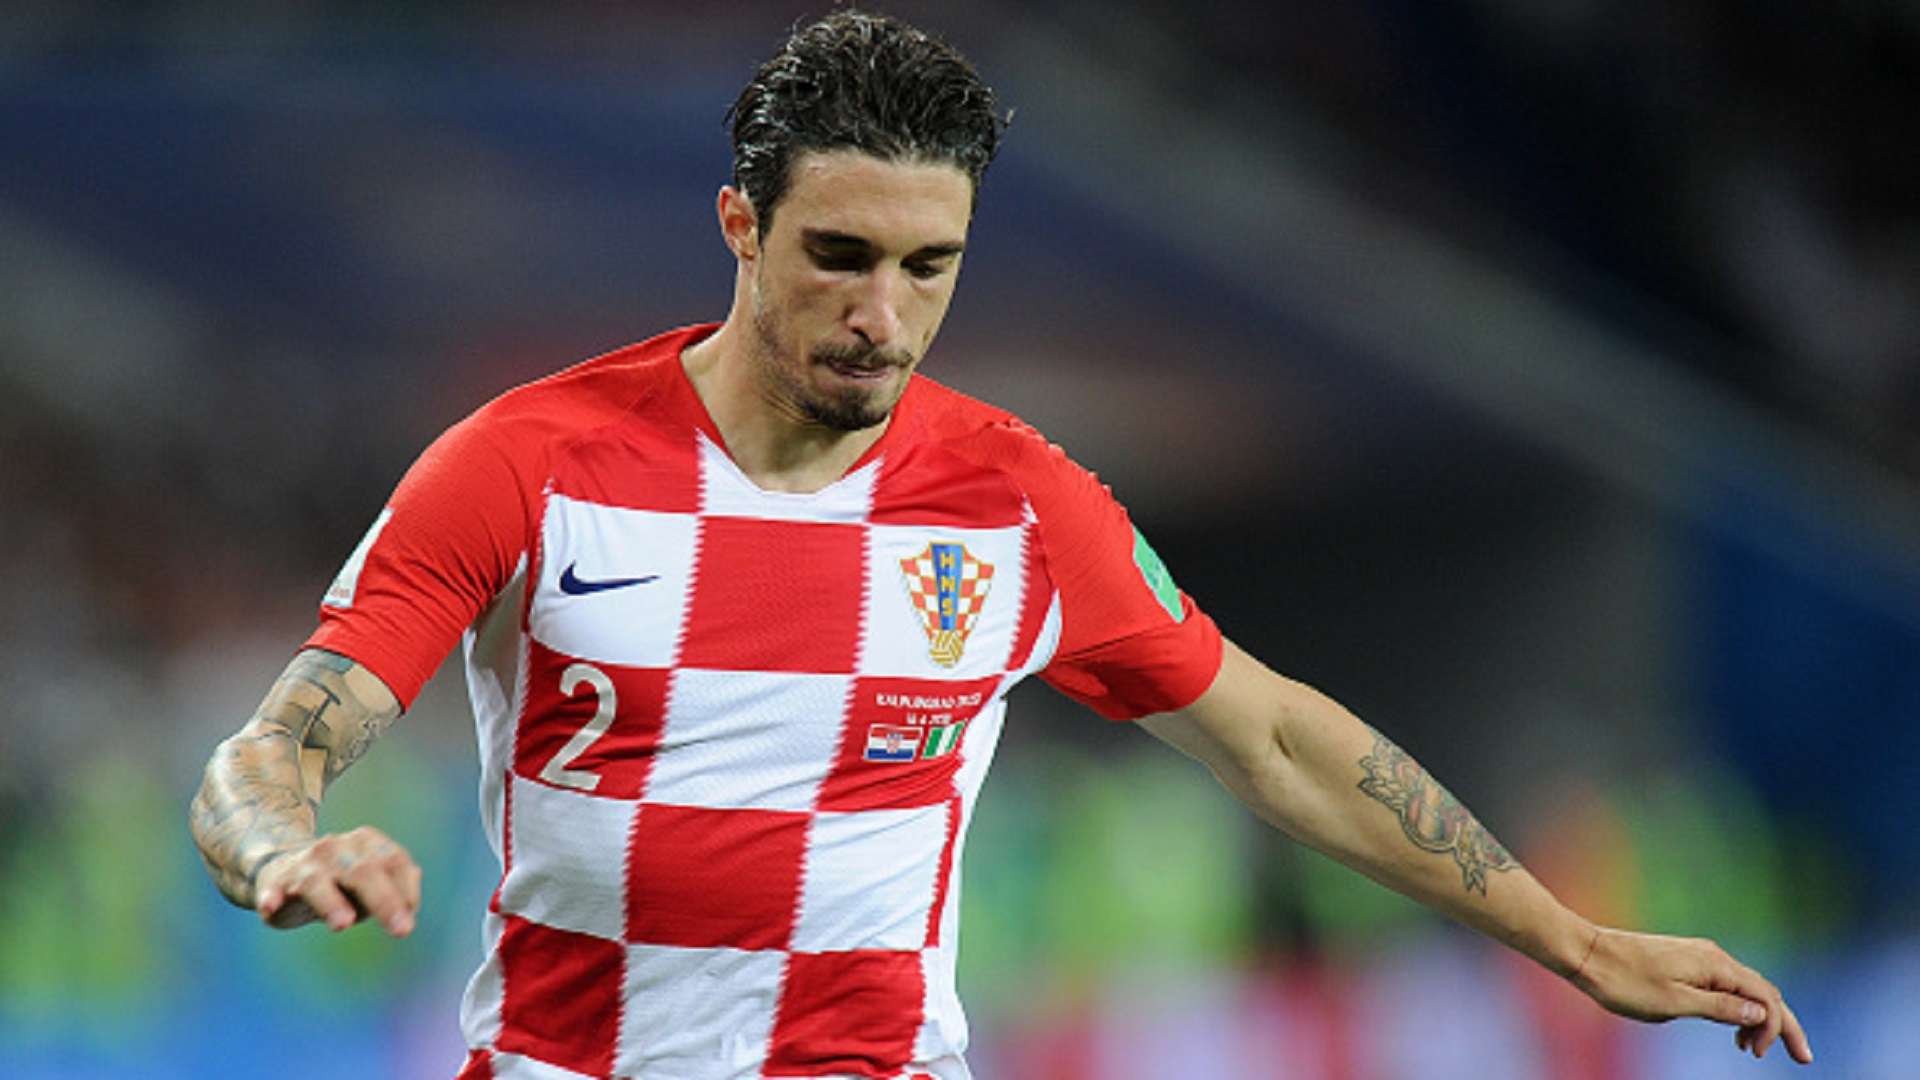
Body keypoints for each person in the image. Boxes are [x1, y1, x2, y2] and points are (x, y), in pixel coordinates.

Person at [188, 9, 1813, 1079]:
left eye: (929, 265)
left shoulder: (1016, 501)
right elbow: (274, 747)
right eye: (838, 254)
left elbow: (1274, 740)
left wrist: (1573, 937)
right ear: (740, 226)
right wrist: (283, 851)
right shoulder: (532, 464)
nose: (881, 315)